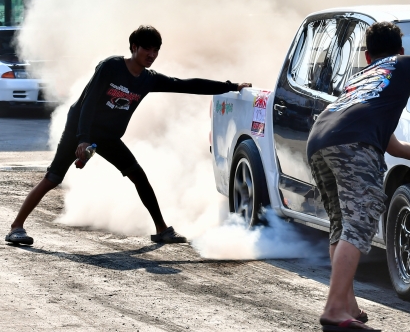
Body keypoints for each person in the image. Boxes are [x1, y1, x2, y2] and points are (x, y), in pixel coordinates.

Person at [5, 26, 251, 246]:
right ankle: (16, 228)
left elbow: (187, 84)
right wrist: (81, 139)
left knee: (138, 176)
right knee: (53, 178)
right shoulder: (110, 67)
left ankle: (162, 230)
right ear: (134, 47)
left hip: (108, 137)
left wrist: (230, 86)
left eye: (156, 50)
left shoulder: (148, 79)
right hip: (80, 128)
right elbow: (88, 103)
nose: (152, 55)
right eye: (147, 49)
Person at [307, 22, 410, 332]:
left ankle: (348, 305)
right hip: (352, 144)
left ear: (368, 57)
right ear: (401, 50)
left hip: (319, 139)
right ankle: (333, 310)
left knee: (342, 225)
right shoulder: (407, 64)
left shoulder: (362, 81)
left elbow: (394, 146)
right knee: (360, 223)